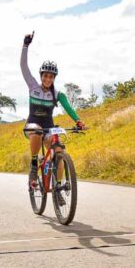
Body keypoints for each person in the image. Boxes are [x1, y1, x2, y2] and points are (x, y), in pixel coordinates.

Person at [20, 32, 85, 202]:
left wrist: (78, 121)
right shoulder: (33, 86)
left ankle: (57, 188)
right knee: (37, 131)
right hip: (33, 126)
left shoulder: (57, 94)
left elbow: (69, 109)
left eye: (51, 76)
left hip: (49, 127)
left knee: (59, 151)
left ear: (54, 78)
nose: (48, 78)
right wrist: (25, 46)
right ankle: (34, 165)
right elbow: (23, 66)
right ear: (41, 75)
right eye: (45, 75)